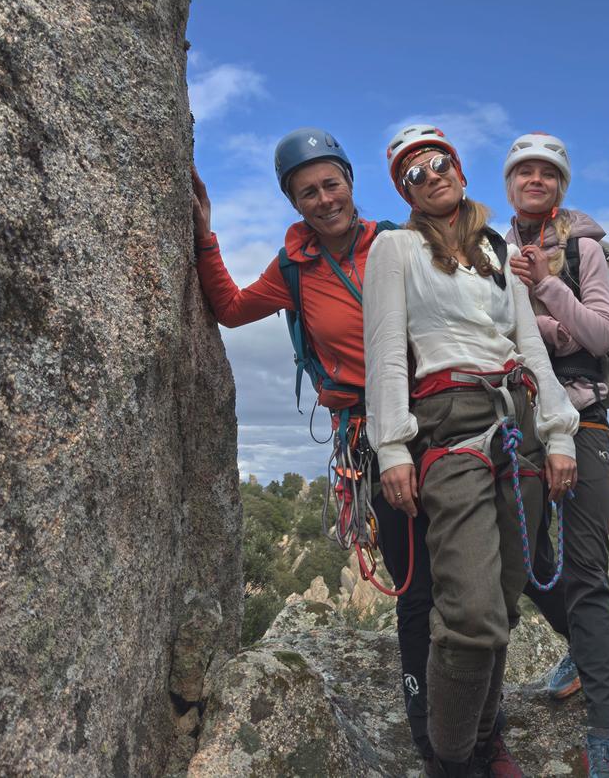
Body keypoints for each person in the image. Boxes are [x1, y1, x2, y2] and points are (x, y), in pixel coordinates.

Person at [190, 128, 445, 766]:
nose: (324, 198)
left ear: (351, 184)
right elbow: (231, 306)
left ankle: (520, 679)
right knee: (416, 584)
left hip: (440, 417)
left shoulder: (401, 242)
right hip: (370, 437)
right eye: (308, 191)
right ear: (294, 202)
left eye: (332, 183)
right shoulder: (294, 268)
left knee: (479, 569)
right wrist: (204, 235)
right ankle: (427, 723)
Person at [365, 125, 580, 778]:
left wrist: (560, 430)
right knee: (470, 614)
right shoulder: (395, 249)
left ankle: (487, 744)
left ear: (458, 168)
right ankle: (451, 761)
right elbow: (385, 353)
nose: (430, 176)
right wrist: (393, 449)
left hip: (516, 424)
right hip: (449, 422)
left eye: (438, 164)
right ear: (405, 190)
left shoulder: (498, 250)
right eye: (413, 174)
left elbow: (529, 344)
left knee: (506, 608)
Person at [503, 132, 609, 778]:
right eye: (523, 171)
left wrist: (547, 290)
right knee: (523, 559)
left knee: (585, 574)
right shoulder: (493, 249)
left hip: (586, 423)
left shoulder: (583, 248)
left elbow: (600, 332)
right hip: (519, 421)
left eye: (547, 172)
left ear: (562, 184)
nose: (535, 179)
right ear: (509, 183)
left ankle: (603, 736)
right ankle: (581, 650)